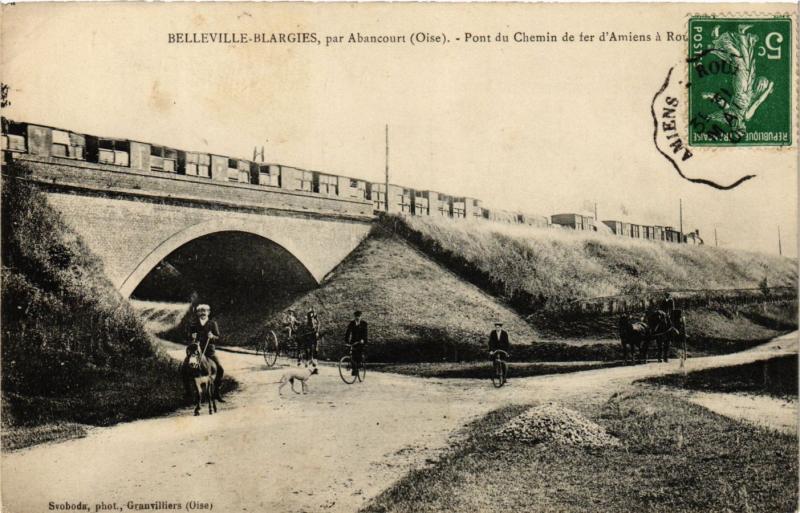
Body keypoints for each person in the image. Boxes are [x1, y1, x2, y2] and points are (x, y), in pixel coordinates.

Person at [182, 304, 226, 403]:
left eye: (204, 311)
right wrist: (191, 336)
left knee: (220, 369)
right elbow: (187, 337)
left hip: (209, 351)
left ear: (208, 312)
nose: (202, 313)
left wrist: (212, 337)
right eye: (200, 311)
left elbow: (218, 338)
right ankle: (188, 393)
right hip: (196, 352)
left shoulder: (212, 324)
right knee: (184, 368)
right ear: (197, 313)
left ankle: (216, 393)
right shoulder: (193, 324)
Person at [344, 310, 368, 377]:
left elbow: (365, 333)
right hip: (353, 341)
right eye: (356, 316)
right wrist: (346, 341)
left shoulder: (364, 323)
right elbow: (348, 332)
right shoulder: (352, 323)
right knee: (352, 354)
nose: (357, 317)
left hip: (361, 341)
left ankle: (359, 365)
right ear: (354, 316)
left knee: (359, 352)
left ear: (361, 316)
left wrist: (363, 340)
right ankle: (354, 369)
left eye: (359, 316)